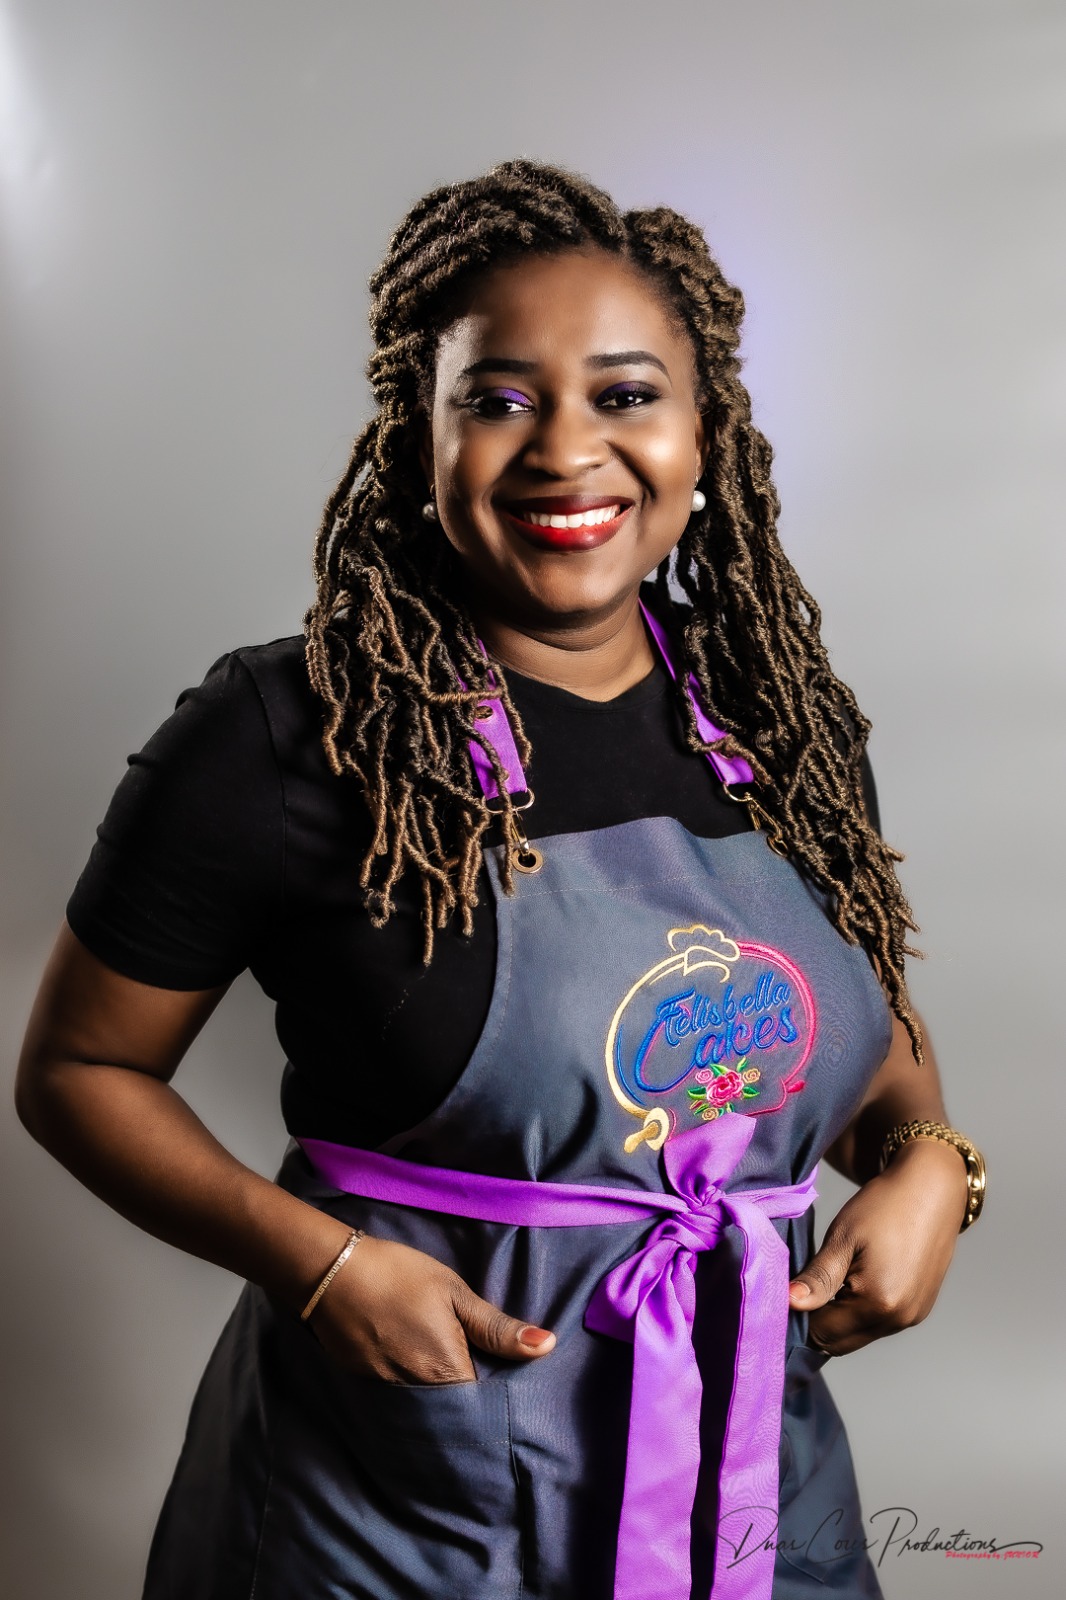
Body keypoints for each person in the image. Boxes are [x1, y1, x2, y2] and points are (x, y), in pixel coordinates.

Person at [15, 159, 985, 1600]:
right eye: (499, 399)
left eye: (625, 394)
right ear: (421, 438)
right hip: (400, 1498)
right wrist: (321, 1268)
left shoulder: (783, 724)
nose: (566, 450)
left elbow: (867, 1039)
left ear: (705, 431)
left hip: (740, 1483)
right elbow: (80, 1070)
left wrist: (931, 1163)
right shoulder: (288, 735)